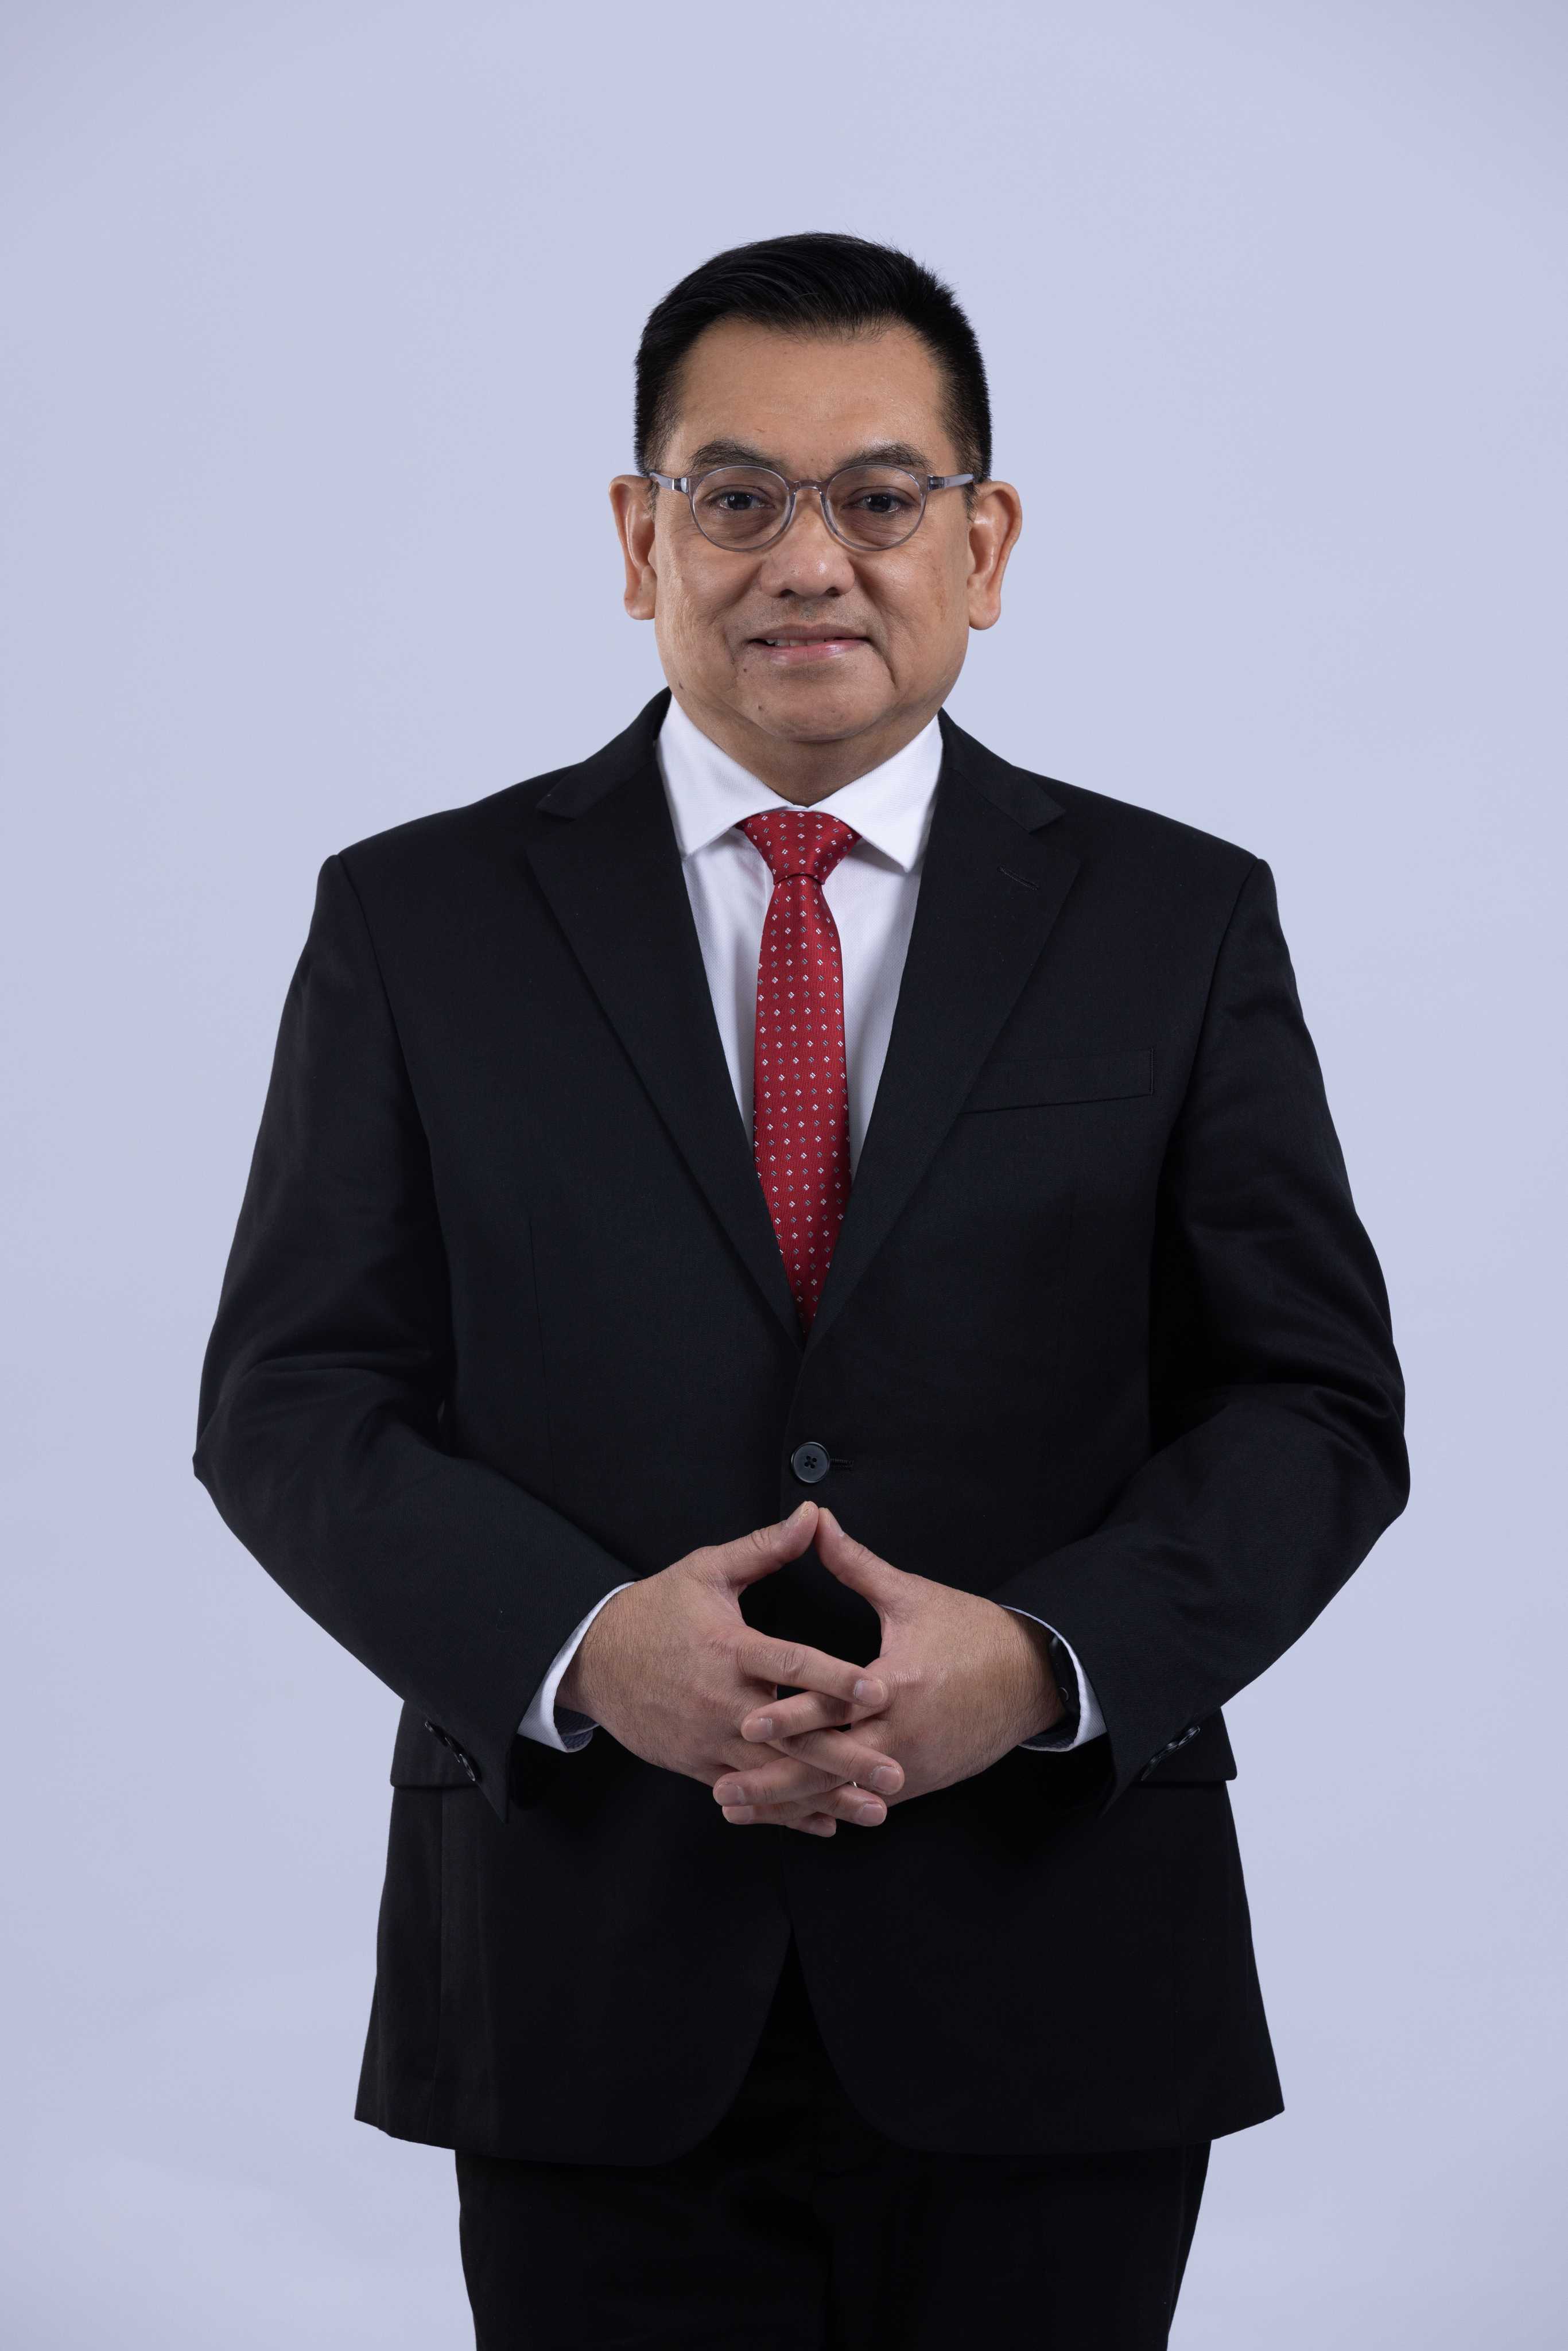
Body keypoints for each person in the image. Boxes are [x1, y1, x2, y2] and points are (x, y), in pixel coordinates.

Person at [193, 232, 1408, 2349]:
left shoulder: (1176, 918)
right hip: (583, 1961)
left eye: (880, 496)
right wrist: (587, 1649)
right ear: (638, 538)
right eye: (737, 496)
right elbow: (293, 1400)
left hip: (1054, 1960)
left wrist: (1038, 1664)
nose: (809, 561)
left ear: (983, 542)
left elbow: (1312, 1405)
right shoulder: (418, 919)